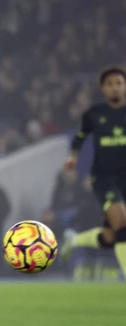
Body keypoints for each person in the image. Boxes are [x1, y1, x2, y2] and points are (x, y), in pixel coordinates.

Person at [61, 67, 126, 272]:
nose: (115, 88)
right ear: (103, 89)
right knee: (122, 225)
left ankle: (74, 240)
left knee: (109, 237)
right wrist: (72, 157)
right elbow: (80, 137)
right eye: (110, 84)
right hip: (104, 178)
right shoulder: (95, 114)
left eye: (119, 83)